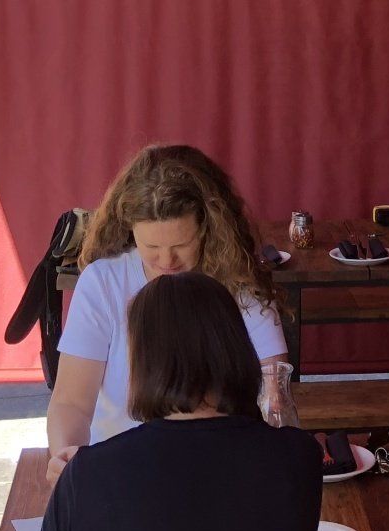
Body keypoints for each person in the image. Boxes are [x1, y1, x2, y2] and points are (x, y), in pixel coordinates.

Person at [26, 272, 322, 531]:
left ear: (144, 362)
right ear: (236, 348)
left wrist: (83, 480)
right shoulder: (298, 456)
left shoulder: (86, 476)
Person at [46, 144, 287, 482]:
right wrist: (64, 456)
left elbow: (275, 388)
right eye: (152, 247)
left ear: (206, 227)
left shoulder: (237, 280)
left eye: (180, 245)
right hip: (120, 471)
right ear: (131, 231)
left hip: (219, 469)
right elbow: (71, 401)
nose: (166, 261)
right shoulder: (104, 282)